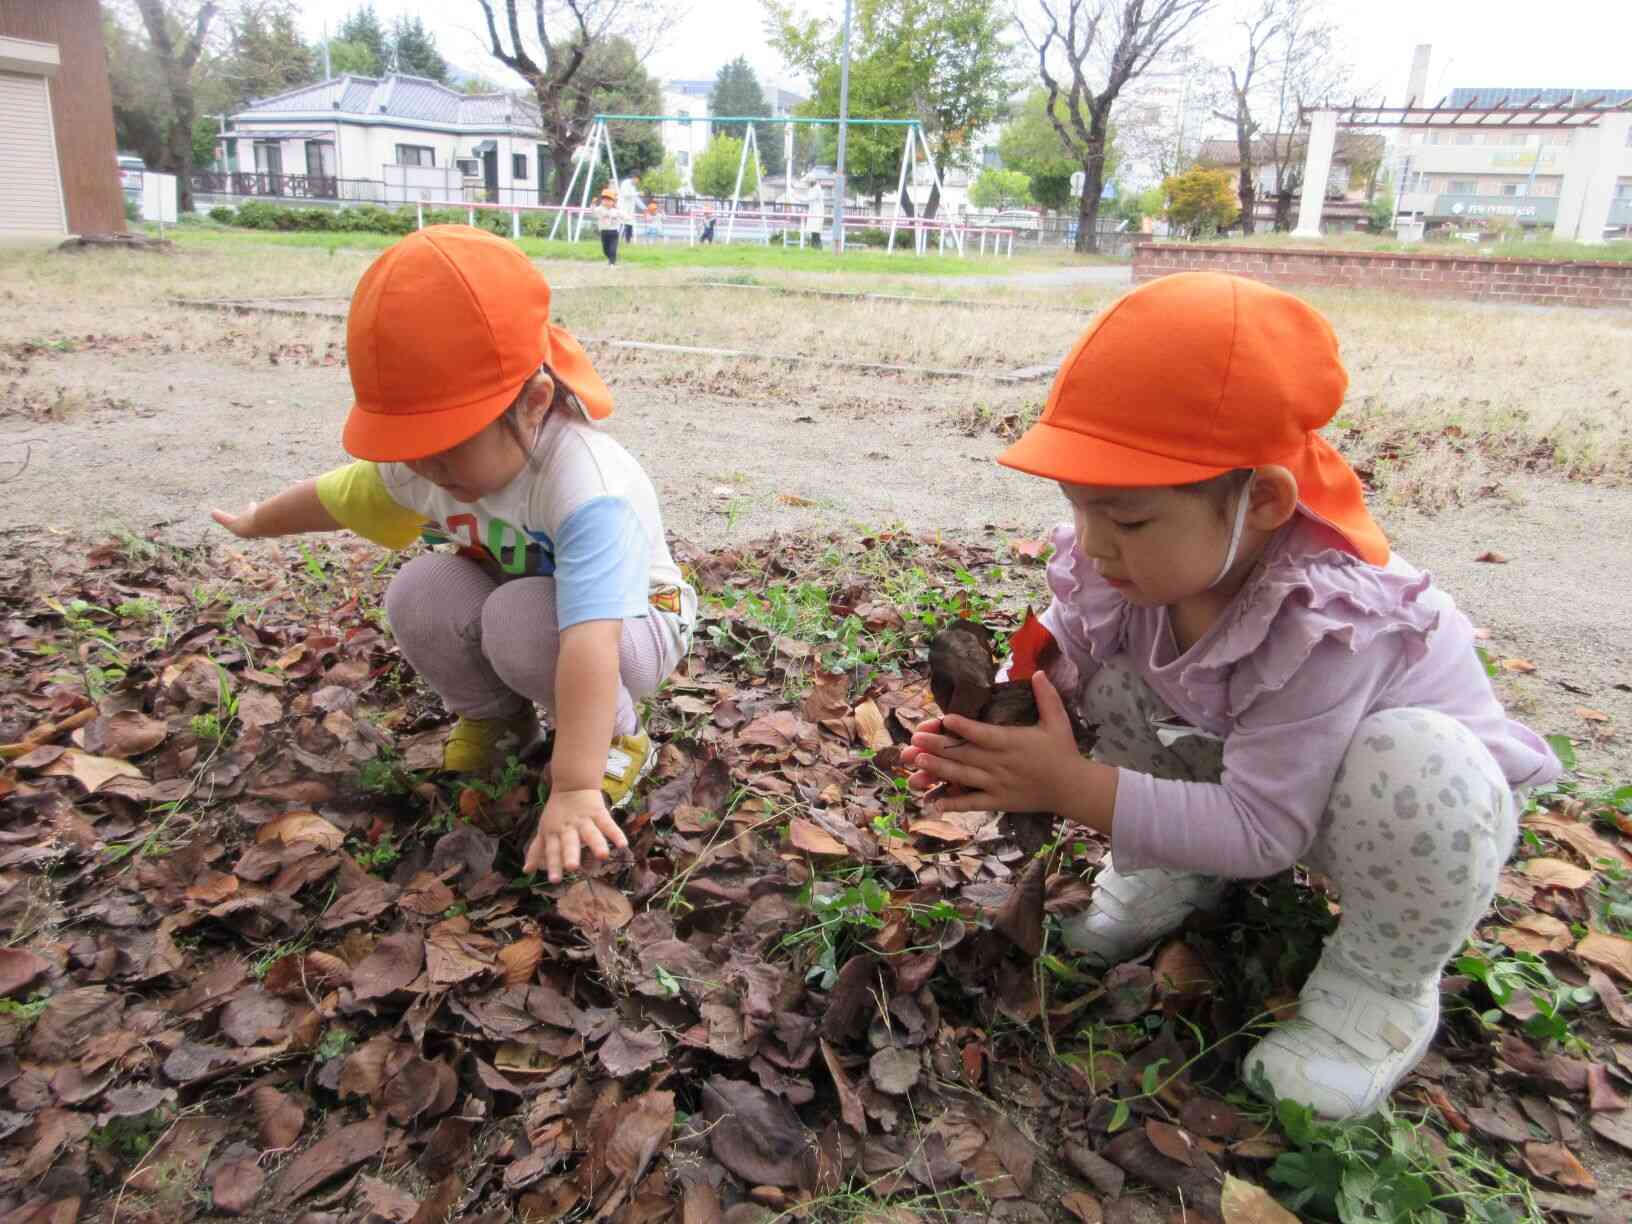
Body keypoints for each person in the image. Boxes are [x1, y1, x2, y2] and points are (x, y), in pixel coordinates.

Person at [901, 271, 1559, 1120]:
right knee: (1098, 673)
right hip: (1257, 765)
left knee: (1416, 766)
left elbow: (1265, 829)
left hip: (1393, 819)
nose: (1094, 545)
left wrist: (1067, 787)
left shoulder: (1328, 618)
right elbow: (1054, 664)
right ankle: (1170, 870)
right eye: (1078, 506)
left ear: (1264, 503)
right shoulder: (1139, 572)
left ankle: (1380, 983)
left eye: (1129, 520)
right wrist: (994, 727)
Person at [210, 225, 696, 885]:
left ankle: (617, 737)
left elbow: (589, 641)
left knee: (520, 616)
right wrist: (255, 523)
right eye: (409, 444)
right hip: (530, 607)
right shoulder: (426, 464)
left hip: (634, 622)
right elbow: (335, 496)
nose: (425, 467)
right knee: (421, 588)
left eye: (445, 443)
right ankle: (500, 724)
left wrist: (575, 786)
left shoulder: (588, 489)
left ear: (533, 404)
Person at [593, 186, 623, 266]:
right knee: (605, 250)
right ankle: (611, 259)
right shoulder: (599, 209)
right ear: (602, 201)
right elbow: (593, 212)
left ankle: (612, 262)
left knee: (613, 248)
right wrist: (593, 204)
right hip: (604, 232)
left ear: (613, 202)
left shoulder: (616, 210)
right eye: (604, 200)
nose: (606, 202)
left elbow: (623, 215)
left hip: (614, 232)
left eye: (609, 200)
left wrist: (627, 217)